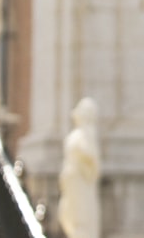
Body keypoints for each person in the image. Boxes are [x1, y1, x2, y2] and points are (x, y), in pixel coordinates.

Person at [59, 97, 101, 238]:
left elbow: (92, 159)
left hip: (81, 183)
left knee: (82, 218)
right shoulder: (77, 135)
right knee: (69, 215)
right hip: (71, 182)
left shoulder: (87, 134)